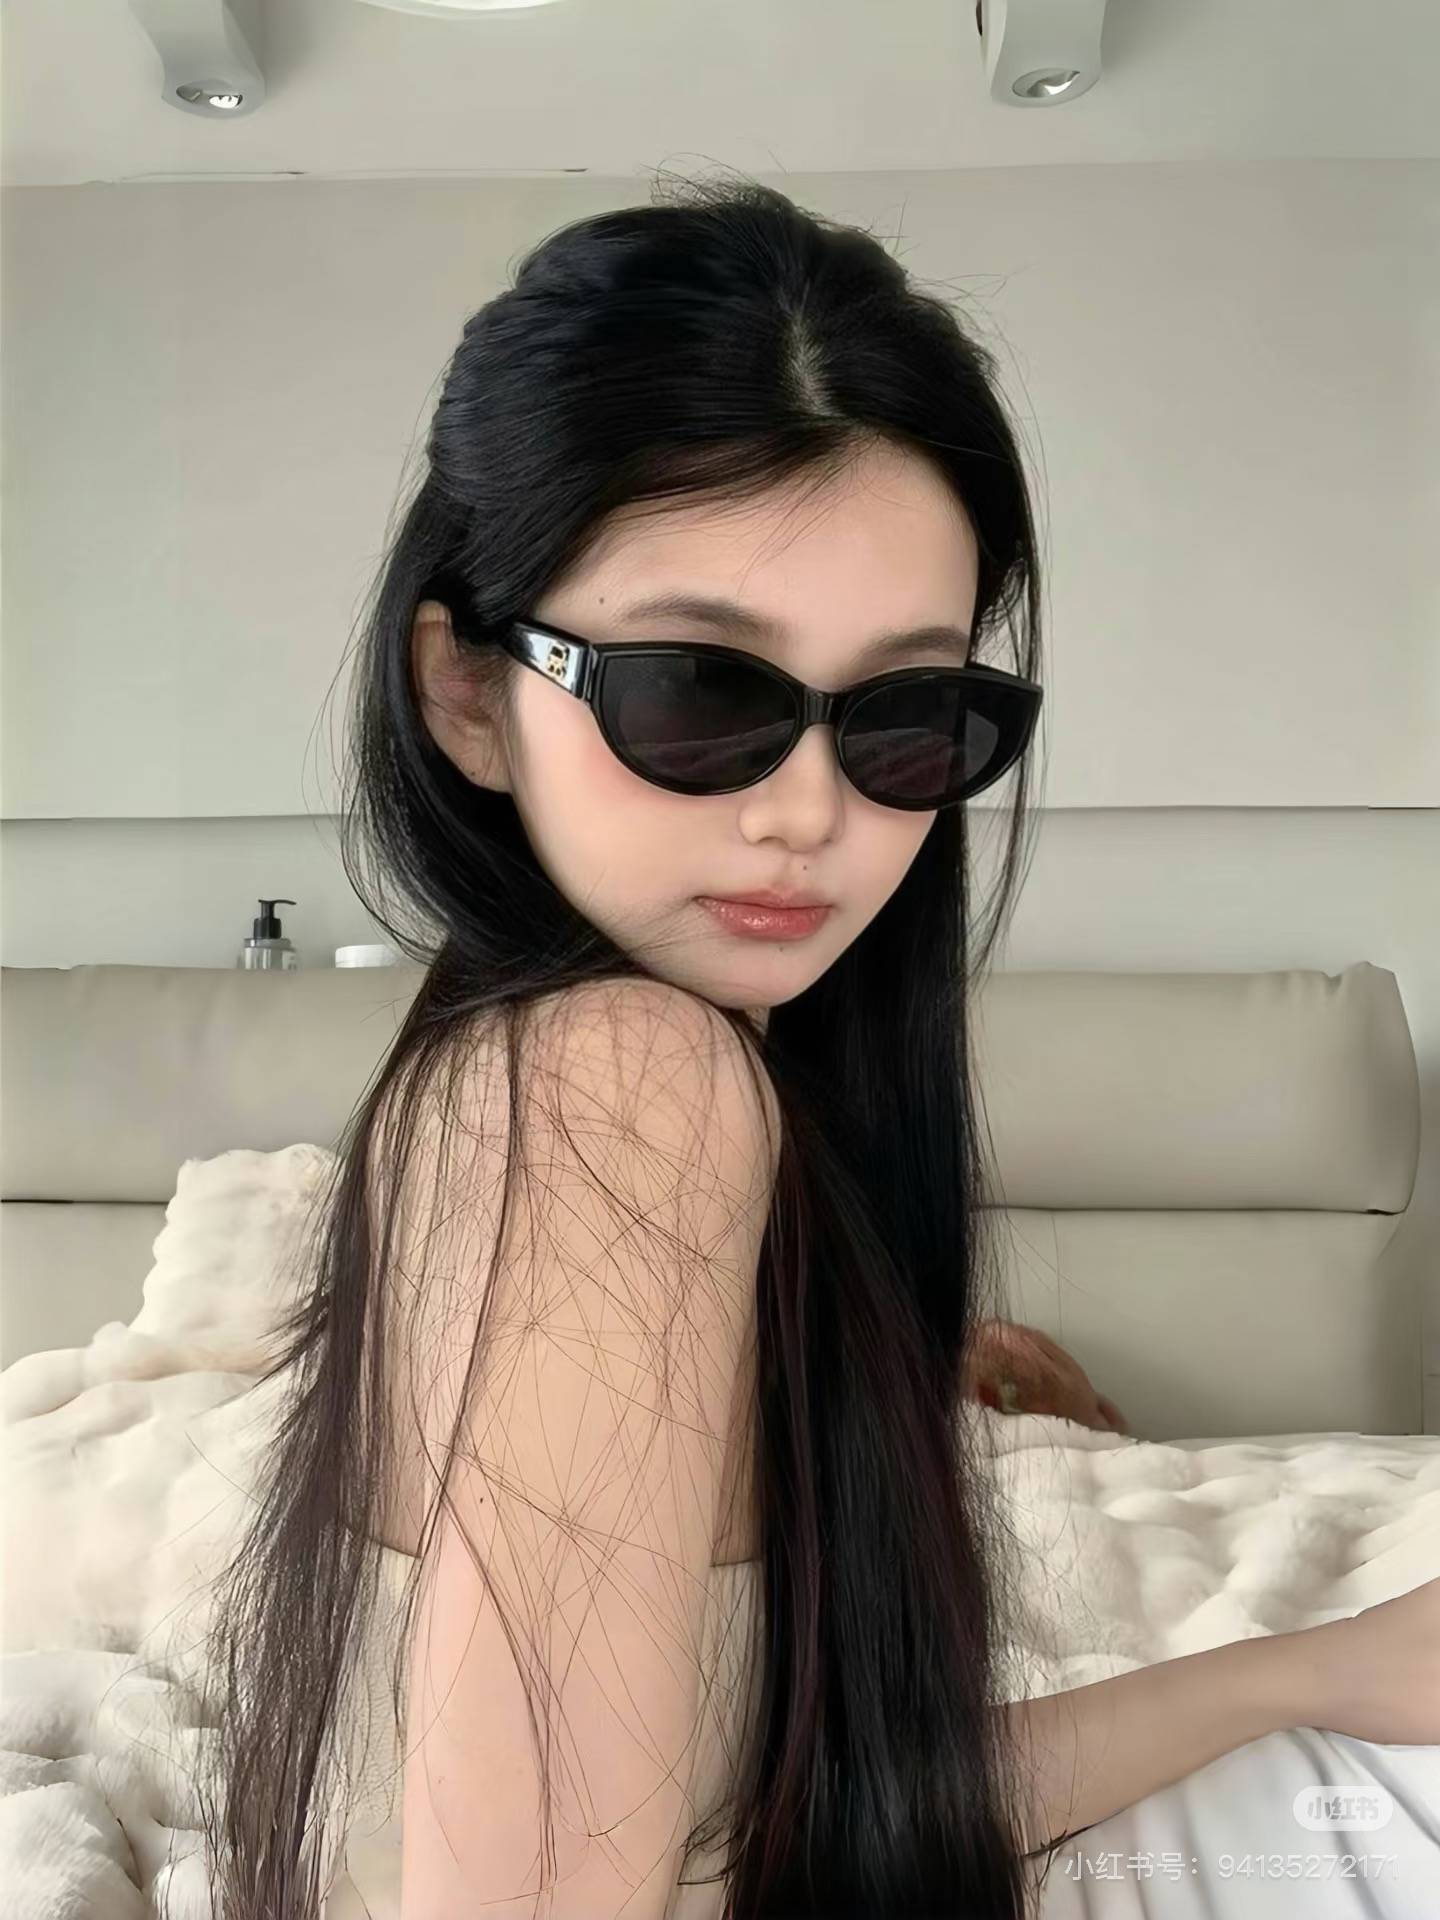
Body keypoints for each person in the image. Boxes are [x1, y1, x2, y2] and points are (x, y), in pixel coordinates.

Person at [185, 169, 1440, 1920]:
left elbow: (768, 1811)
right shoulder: (621, 1090)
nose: (810, 811)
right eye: (700, 688)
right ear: (469, 691)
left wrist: (1306, 1672)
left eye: (909, 715)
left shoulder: (570, 1074)